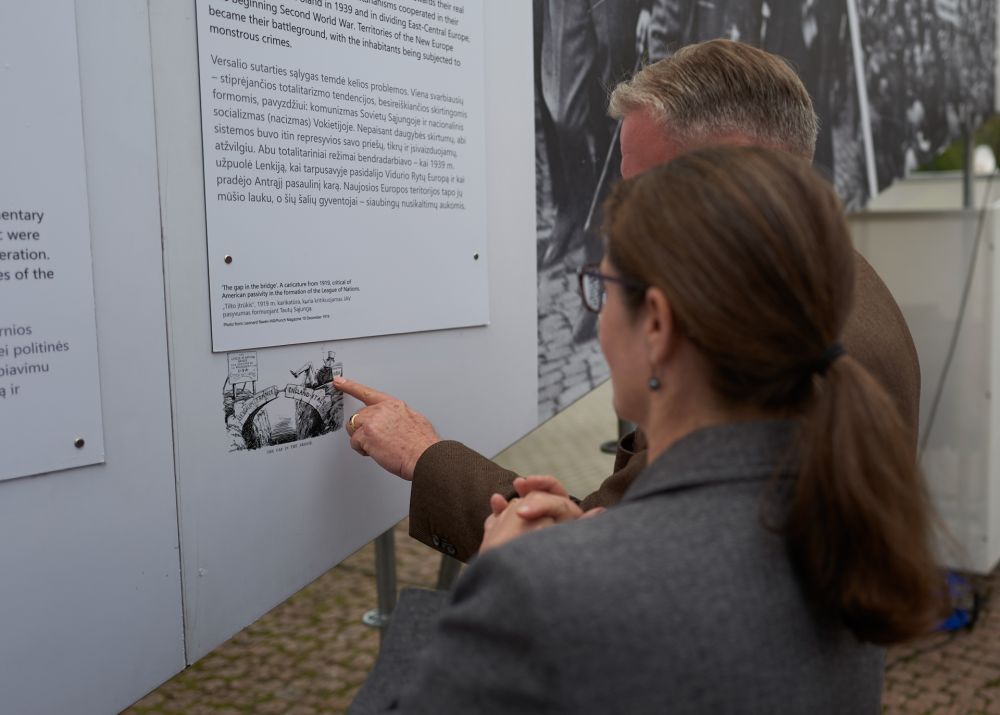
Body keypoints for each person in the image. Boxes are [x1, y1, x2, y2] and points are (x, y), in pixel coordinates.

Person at [348, 146, 944, 714]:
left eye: (603, 290)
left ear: (656, 324)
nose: (598, 317)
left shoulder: (543, 591)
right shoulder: (851, 528)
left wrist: (497, 581)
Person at [334, 40, 921, 564]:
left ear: (735, 165)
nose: (618, 219)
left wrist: (424, 456)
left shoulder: (770, 361)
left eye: (640, 191)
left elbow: (610, 569)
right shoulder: (819, 278)